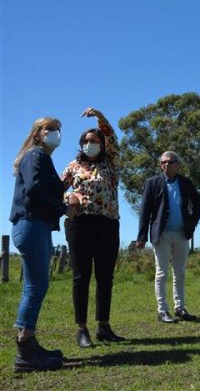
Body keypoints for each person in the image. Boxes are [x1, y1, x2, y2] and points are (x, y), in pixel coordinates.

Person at [10, 117, 77, 372]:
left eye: (59, 129)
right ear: (38, 133)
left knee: (33, 286)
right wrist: (64, 208)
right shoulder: (36, 156)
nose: (56, 134)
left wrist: (64, 188)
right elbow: (36, 190)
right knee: (37, 286)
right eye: (50, 129)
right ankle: (26, 352)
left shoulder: (38, 158)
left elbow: (43, 187)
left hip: (33, 225)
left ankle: (29, 345)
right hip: (31, 224)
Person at [61, 107, 124, 348]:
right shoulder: (73, 166)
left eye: (95, 140)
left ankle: (104, 326)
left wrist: (100, 117)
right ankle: (82, 329)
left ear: (103, 144)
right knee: (81, 276)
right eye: (86, 141)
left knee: (105, 276)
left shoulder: (111, 162)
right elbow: (57, 190)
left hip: (108, 224)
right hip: (79, 225)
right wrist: (68, 200)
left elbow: (112, 137)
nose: (90, 144)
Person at [136, 151, 200, 323]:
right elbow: (145, 211)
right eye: (163, 162)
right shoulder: (152, 183)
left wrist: (192, 222)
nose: (166, 165)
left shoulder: (185, 183)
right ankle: (163, 310)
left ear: (177, 164)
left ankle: (180, 308)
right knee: (161, 273)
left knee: (180, 273)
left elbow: (198, 203)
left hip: (182, 234)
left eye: (170, 162)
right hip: (162, 234)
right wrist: (141, 236)